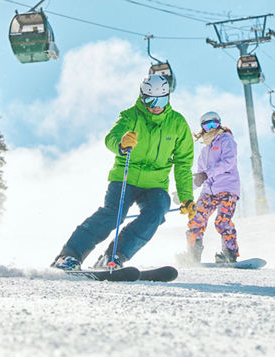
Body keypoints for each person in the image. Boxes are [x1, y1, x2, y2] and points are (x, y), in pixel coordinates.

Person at [51, 74, 196, 270]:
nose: (156, 105)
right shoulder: (130, 116)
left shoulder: (178, 124)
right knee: (113, 215)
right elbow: (112, 137)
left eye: (161, 100)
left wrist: (187, 197)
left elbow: (183, 163)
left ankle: (114, 256)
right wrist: (121, 143)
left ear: (168, 97)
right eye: (150, 100)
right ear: (142, 97)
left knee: (156, 212)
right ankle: (69, 255)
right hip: (125, 177)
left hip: (155, 184)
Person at [184, 111, 241, 264]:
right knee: (196, 219)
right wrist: (185, 193)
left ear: (219, 124)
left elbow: (228, 162)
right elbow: (200, 177)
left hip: (227, 188)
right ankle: (192, 255)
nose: (211, 128)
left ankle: (229, 254)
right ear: (202, 128)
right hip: (209, 191)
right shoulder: (204, 150)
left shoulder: (226, 140)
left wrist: (206, 174)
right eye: (206, 125)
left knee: (222, 221)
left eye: (214, 124)